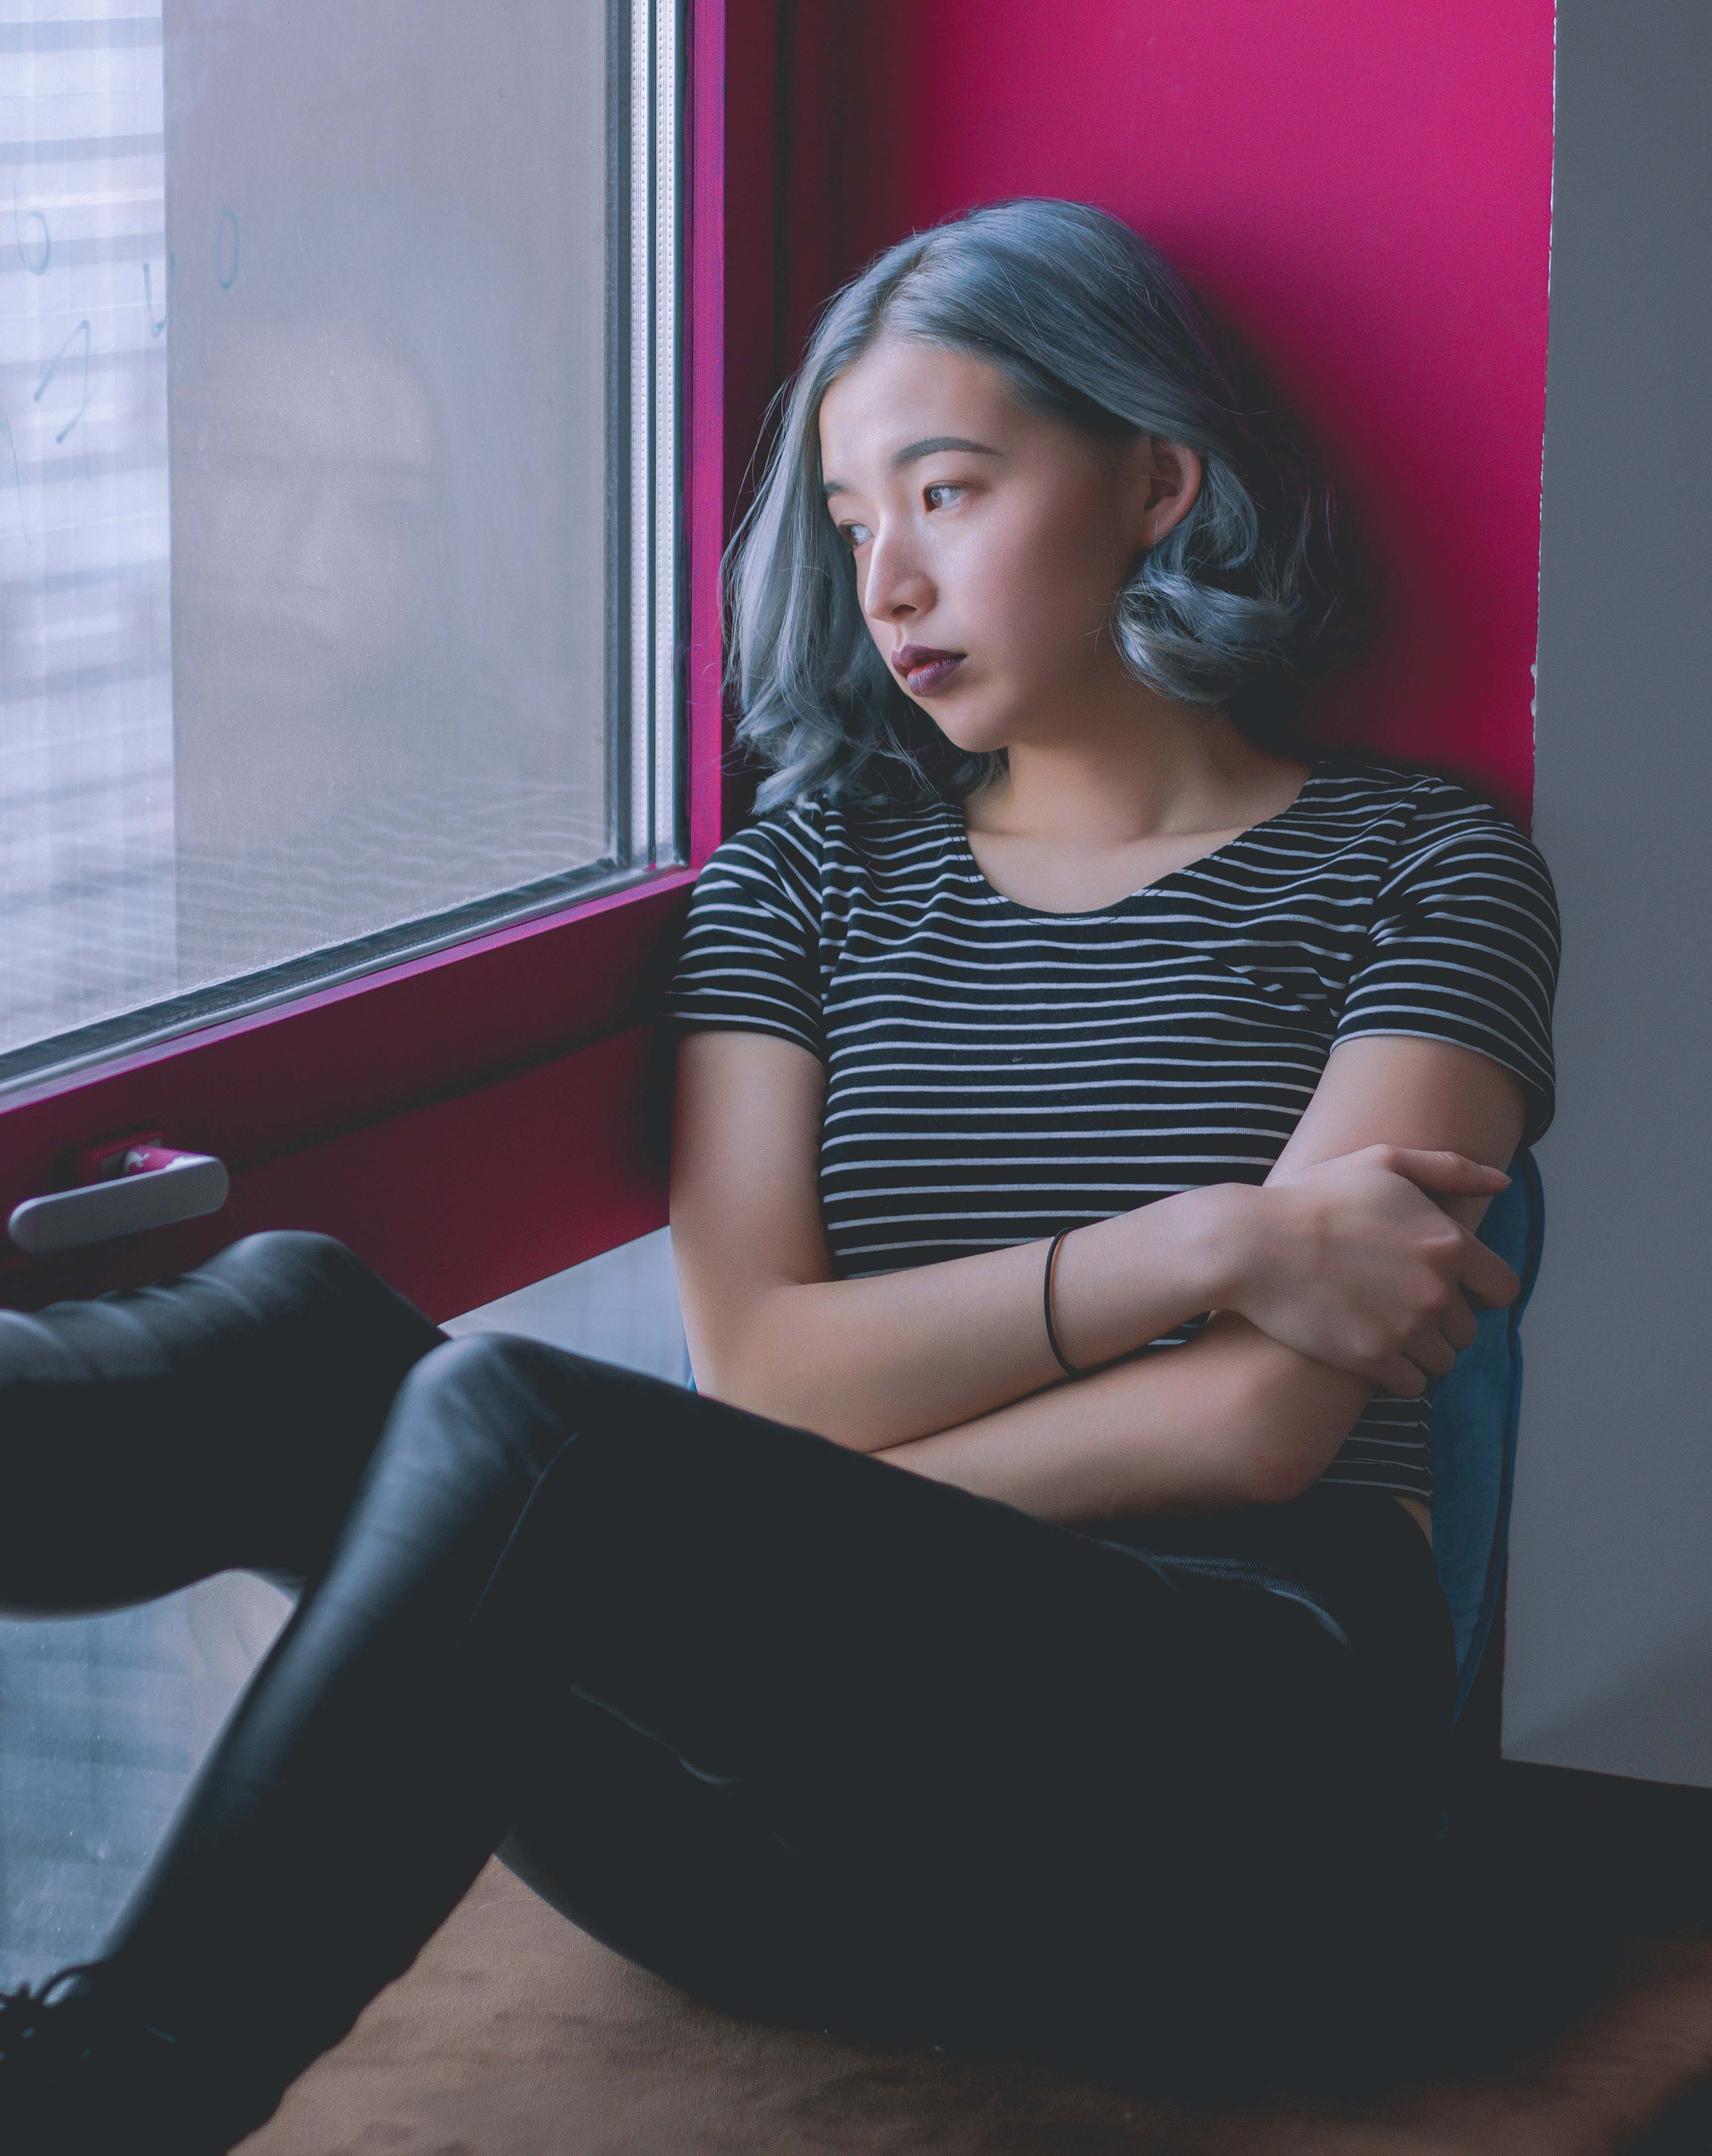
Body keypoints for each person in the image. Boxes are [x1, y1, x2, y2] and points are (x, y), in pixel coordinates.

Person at [0, 199, 1558, 2150]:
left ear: (1156, 481)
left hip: (1231, 1804)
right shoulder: (804, 882)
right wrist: (1207, 1237)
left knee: (513, 1437)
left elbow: (1258, 1423)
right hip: (772, 1844)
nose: (889, 578)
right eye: (848, 519)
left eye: (950, 492)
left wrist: (706, 1514)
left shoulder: (1424, 866)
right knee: (299, 1322)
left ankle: (96, 2106)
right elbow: (771, 1375)